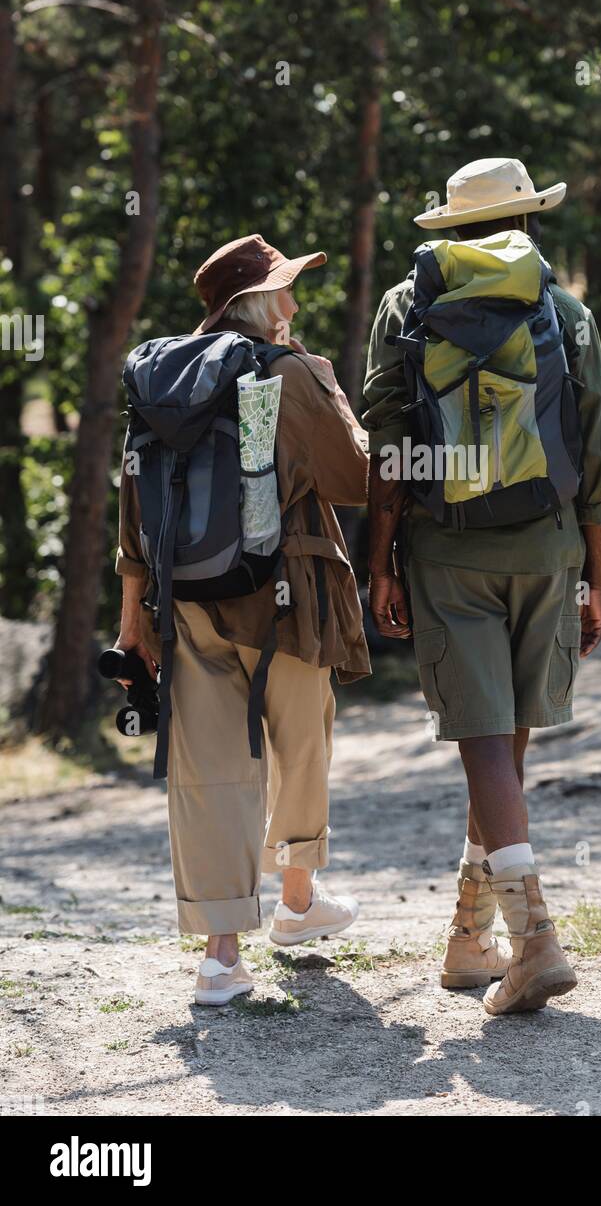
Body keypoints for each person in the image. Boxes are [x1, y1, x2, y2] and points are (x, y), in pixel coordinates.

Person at [362, 158, 601, 1015]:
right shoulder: (563, 309)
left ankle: (534, 938)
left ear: (450, 229)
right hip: (548, 549)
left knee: (481, 740)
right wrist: (596, 580)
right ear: (529, 222)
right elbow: (596, 454)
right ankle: (471, 939)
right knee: (502, 743)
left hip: (447, 550)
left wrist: (381, 559)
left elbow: (388, 445)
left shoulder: (406, 307)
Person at [114, 235, 371, 1005]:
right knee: (301, 740)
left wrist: (133, 620)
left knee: (210, 769)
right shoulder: (286, 372)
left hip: (184, 596)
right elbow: (355, 477)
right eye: (285, 291)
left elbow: (132, 508)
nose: (293, 305)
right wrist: (333, 394)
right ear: (258, 305)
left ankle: (221, 959)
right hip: (285, 590)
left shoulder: (162, 380)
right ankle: (296, 902)